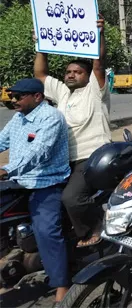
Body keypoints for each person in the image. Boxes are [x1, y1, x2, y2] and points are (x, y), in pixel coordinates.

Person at [33, 17, 110, 248]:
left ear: (87, 76)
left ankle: (96, 224)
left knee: (71, 198)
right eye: (68, 72)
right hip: (64, 160)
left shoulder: (95, 91)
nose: (70, 75)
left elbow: (99, 63)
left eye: (77, 72)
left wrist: (99, 34)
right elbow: (40, 74)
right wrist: (42, 45)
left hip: (92, 156)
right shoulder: (64, 94)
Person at [0, 79, 71, 303]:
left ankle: (61, 285)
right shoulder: (18, 118)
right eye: (12, 97)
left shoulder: (51, 117)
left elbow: (39, 152)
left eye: (18, 97)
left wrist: (6, 169)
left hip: (46, 183)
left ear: (37, 97)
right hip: (19, 181)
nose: (13, 101)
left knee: (47, 231)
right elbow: (1, 141)